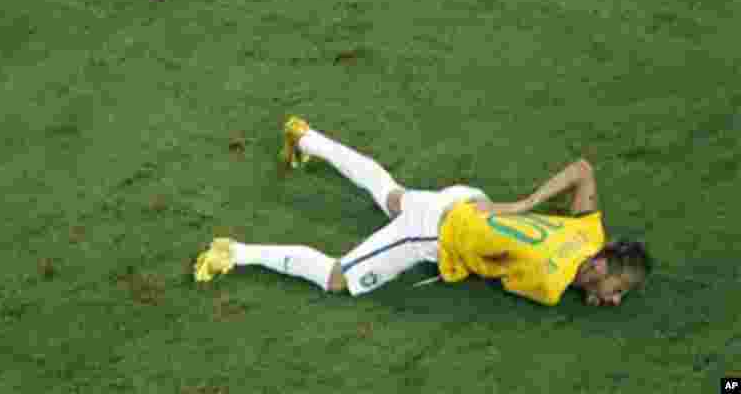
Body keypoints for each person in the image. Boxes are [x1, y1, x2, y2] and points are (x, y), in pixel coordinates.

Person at [194, 117, 651, 307]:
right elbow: (523, 274)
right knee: (337, 277)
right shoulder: (551, 286)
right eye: (617, 287)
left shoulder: (591, 232)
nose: (615, 298)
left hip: (464, 199)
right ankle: (235, 251)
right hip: (434, 233)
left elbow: (582, 169)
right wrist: (586, 291)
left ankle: (306, 137)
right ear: (600, 265)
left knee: (390, 194)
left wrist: (524, 205)